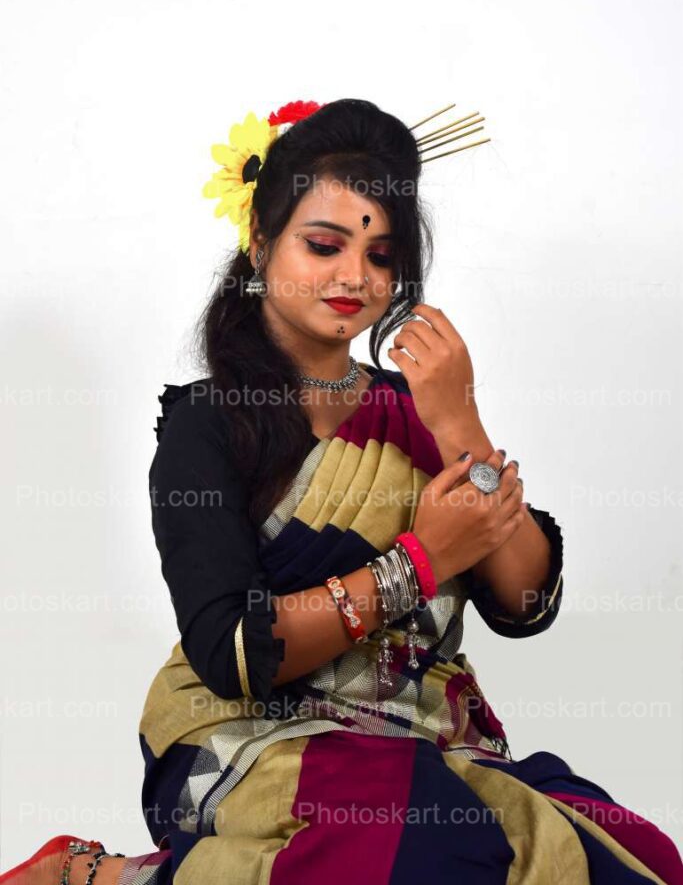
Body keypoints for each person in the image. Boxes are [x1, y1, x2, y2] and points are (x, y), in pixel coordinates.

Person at [3, 99, 681, 884]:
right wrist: (420, 563)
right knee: (416, 837)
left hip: (422, 737)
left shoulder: (420, 408)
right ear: (259, 244)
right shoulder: (209, 425)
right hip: (247, 733)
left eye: (382, 256)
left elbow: (525, 602)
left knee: (636, 861)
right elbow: (233, 654)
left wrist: (460, 421)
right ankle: (106, 878)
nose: (355, 277)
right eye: (324, 245)